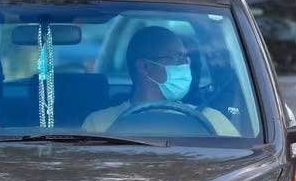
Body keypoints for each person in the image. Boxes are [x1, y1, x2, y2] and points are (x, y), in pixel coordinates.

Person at [83, 26, 238, 136]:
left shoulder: (212, 120)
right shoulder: (99, 124)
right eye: (177, 58)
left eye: (185, 58)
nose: (185, 65)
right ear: (145, 67)